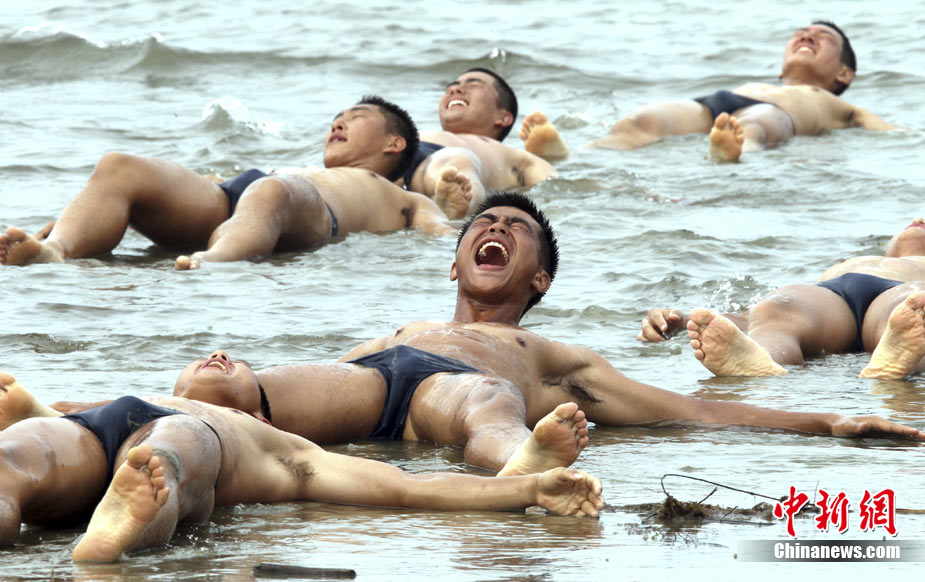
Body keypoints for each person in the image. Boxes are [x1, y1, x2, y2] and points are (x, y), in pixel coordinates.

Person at [147, 193, 920, 475]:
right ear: (454, 264)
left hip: (467, 394)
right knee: (218, 388)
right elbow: (309, 379)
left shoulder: (550, 355)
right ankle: (94, 422)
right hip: (373, 380)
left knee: (483, 407)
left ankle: (525, 468)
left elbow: (689, 411)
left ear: (537, 282)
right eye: (481, 224)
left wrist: (823, 420)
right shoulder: (393, 331)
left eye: (514, 230)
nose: (493, 229)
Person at [0, 367, 603, 562]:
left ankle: (117, 532)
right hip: (90, 431)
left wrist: (528, 489)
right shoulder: (122, 397)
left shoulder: (285, 450)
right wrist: (32, 409)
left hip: (189, 447)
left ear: (265, 415)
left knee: (172, 449)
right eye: (206, 359)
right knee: (11, 462)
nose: (218, 356)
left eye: (235, 361)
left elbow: (405, 491)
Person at [0, 96, 458, 270]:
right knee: (120, 165)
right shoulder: (298, 167)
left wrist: (452, 211)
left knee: (270, 192)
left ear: (396, 143)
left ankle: (213, 260)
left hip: (312, 211)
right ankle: (55, 250)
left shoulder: (403, 196)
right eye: (335, 119)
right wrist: (74, 217)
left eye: (355, 119)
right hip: (235, 199)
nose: (337, 124)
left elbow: (442, 233)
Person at [638, 218, 925, 379]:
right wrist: (684, 323)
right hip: (832, 297)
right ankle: (764, 362)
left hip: (903, 293)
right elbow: (749, 318)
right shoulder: (851, 261)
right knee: (777, 309)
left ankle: (897, 362)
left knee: (912, 313)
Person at [584, 21, 899, 162]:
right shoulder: (761, 83)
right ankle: (573, 158)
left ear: (845, 73)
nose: (808, 36)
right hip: (715, 103)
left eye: (822, 36)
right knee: (638, 121)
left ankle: (736, 152)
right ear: (781, 66)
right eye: (801, 34)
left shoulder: (835, 104)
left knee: (753, 127)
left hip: (778, 113)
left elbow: (895, 134)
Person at [403, 69, 557, 219]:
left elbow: (551, 179)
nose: (455, 89)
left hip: (437, 162)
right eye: (450, 88)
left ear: (503, 117)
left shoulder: (510, 154)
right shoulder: (427, 133)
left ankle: (457, 200)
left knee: (458, 166)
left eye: (473, 85)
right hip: (397, 150)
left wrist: (554, 154)